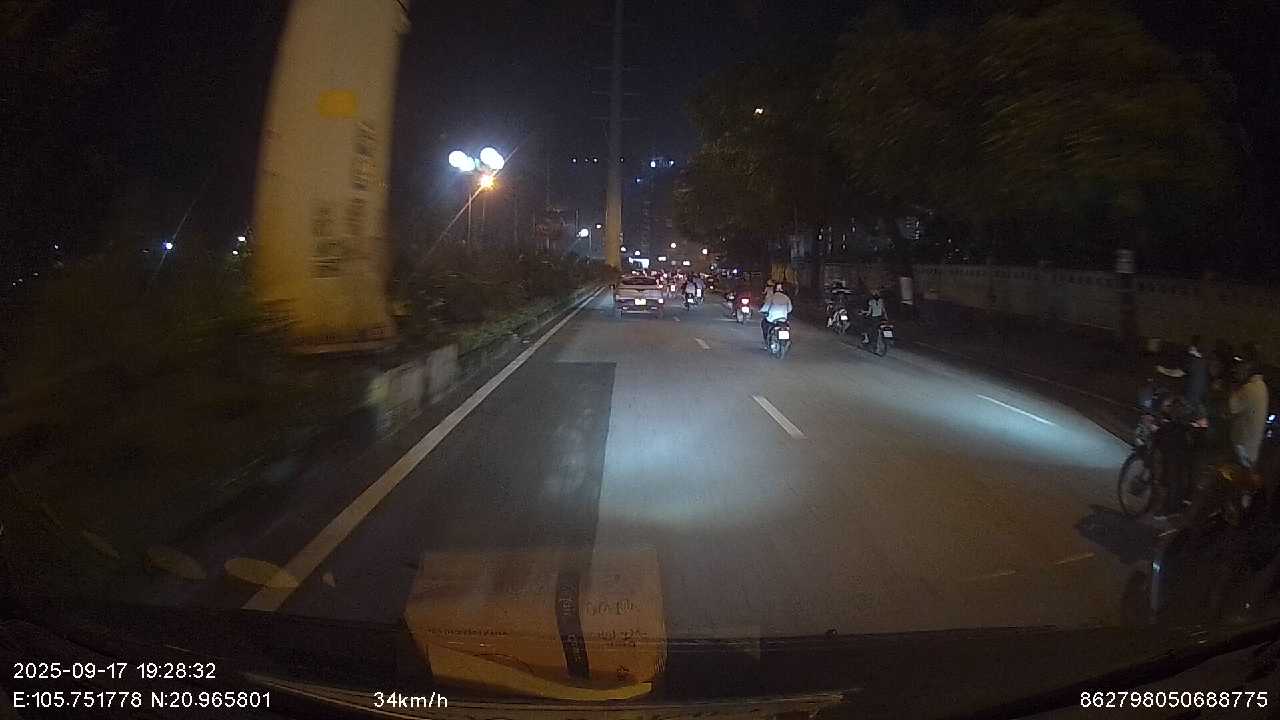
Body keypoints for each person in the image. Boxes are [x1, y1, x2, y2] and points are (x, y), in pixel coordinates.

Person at [760, 282, 792, 346]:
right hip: (783, 319)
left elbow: (766, 307)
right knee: (786, 326)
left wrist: (762, 311)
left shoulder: (771, 297)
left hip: (772, 319)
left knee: (764, 323)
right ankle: (787, 341)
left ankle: (766, 341)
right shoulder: (786, 298)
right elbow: (790, 309)